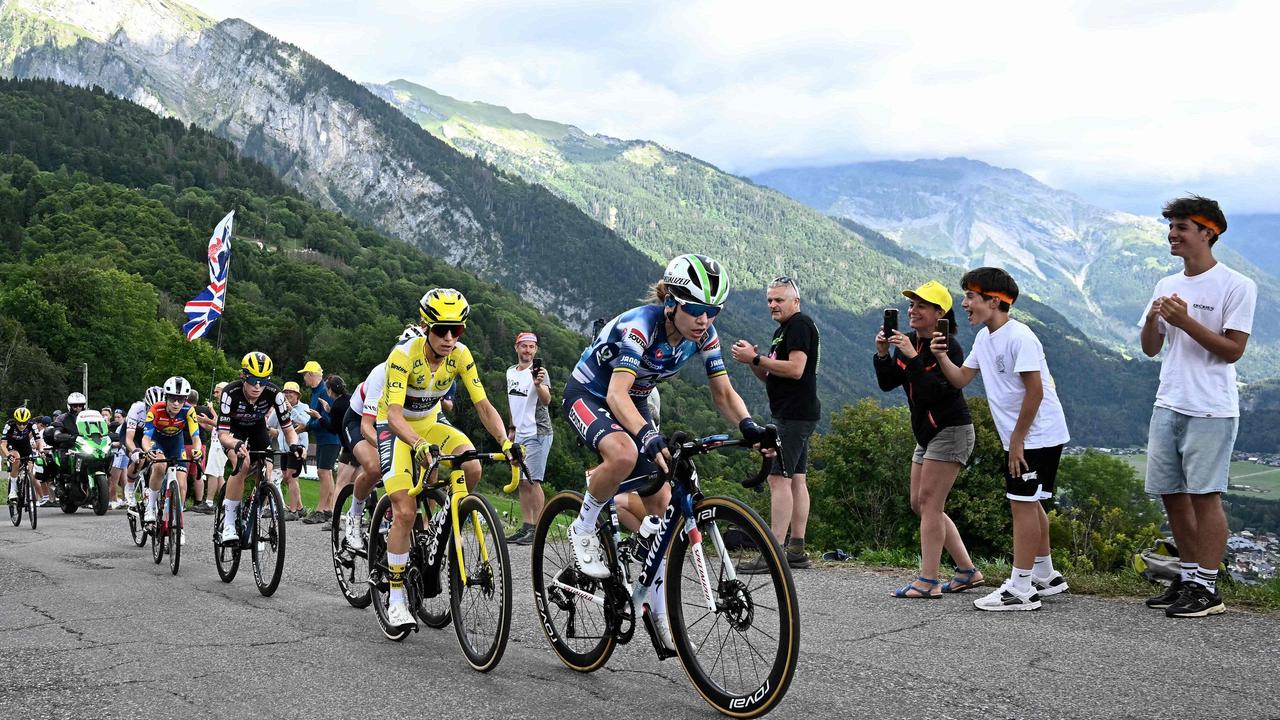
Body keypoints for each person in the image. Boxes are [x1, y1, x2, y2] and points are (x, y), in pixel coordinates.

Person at [563, 254, 770, 650]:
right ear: (671, 301)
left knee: (661, 499)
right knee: (624, 453)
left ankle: (655, 607)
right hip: (590, 394)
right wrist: (647, 435)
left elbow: (723, 393)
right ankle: (584, 526)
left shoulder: (704, 336)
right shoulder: (641, 327)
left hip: (634, 400)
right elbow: (615, 393)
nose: (703, 320)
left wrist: (749, 426)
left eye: (713, 311)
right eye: (695, 309)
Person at [1139, 196, 1256, 618]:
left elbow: (1233, 351)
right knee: (1171, 496)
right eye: (1170, 225)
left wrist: (1187, 321)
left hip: (1211, 408)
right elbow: (1151, 349)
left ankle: (1208, 587)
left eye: (1182, 226)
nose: (1172, 233)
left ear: (1209, 232)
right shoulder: (1165, 284)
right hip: (1168, 402)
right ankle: (1187, 579)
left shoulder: (1237, 285)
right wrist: (1154, 321)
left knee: (1205, 498)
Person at [378, 288, 519, 631]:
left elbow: (483, 405)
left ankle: (442, 521)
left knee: (471, 465)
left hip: (431, 421)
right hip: (396, 428)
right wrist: (417, 443)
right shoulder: (404, 355)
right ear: (426, 326)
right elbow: (394, 415)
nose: (450, 337)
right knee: (405, 510)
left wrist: (505, 441)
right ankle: (396, 597)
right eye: (442, 329)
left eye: (458, 330)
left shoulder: (461, 355)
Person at [932, 267, 1071, 612]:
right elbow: (961, 379)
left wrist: (1018, 441)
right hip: (1030, 436)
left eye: (970, 297)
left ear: (994, 301)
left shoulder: (1019, 336)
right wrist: (940, 356)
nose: (963, 304)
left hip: (1035, 435)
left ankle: (1020, 589)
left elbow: (1035, 392)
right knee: (1031, 500)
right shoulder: (985, 338)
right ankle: (1046, 575)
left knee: (1020, 504)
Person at [874, 280, 982, 598]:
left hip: (951, 430)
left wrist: (912, 357)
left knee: (930, 505)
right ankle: (966, 571)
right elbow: (888, 382)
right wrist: (883, 354)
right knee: (919, 504)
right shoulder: (910, 342)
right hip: (929, 435)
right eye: (911, 305)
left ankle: (929, 581)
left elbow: (935, 392)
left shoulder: (947, 346)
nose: (912, 310)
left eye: (921, 305)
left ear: (940, 313)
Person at [730, 275, 821, 570]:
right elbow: (772, 374)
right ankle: (796, 549)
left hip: (793, 415)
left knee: (777, 478)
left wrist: (756, 357)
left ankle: (773, 552)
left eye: (779, 299)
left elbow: (796, 369)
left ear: (796, 301)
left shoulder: (799, 325)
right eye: (770, 300)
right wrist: (754, 361)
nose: (773, 304)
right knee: (796, 478)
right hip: (796, 412)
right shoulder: (783, 330)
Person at [216, 352, 303, 544]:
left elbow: (288, 429)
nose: (257, 386)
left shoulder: (274, 394)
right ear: (243, 376)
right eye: (253, 379)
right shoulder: (230, 393)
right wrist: (236, 444)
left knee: (268, 472)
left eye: (262, 381)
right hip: (233, 431)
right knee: (243, 464)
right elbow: (222, 435)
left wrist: (296, 444)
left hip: (257, 429)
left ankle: (254, 516)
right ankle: (229, 522)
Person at [141, 377, 203, 545]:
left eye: (181, 399)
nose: (176, 403)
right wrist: (148, 451)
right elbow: (146, 438)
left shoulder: (189, 411)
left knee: (182, 484)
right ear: (166, 398)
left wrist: (197, 450)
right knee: (160, 466)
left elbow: (196, 436)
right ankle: (151, 507)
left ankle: (179, 525)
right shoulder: (155, 409)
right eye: (173, 399)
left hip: (177, 443)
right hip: (157, 441)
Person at [299, 360, 340, 525]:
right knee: (326, 473)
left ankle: (321, 509)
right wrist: (308, 425)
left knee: (323, 472)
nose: (304, 379)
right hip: (324, 438)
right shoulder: (316, 392)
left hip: (330, 437)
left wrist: (306, 427)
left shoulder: (323, 391)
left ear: (310, 375)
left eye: (304, 375)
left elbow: (327, 418)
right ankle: (328, 508)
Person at [273, 381, 312, 520]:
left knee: (291, 477)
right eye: (285, 392)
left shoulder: (304, 407)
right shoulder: (281, 406)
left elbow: (307, 423)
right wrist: (276, 408)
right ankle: (300, 508)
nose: (288, 394)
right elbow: (271, 423)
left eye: (291, 392)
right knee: (287, 477)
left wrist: (291, 410)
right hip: (284, 448)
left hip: (298, 447)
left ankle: (293, 511)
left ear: (297, 395)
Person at [197, 382, 228, 514]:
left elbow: (222, 423)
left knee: (212, 473)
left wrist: (208, 417)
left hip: (220, 443)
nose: (215, 394)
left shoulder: (227, 405)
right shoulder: (223, 406)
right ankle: (226, 502)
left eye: (217, 392)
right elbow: (216, 425)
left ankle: (209, 502)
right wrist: (202, 422)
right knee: (219, 475)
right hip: (218, 441)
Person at [4, 407, 38, 501]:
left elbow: (38, 440)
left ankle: (27, 486)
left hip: (25, 446)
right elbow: (2, 444)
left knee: (30, 467)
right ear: (15, 421)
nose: (22, 426)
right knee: (16, 458)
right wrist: (8, 455)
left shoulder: (32, 425)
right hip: (12, 445)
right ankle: (13, 490)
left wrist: (41, 451)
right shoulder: (9, 425)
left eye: (24, 423)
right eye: (19, 423)